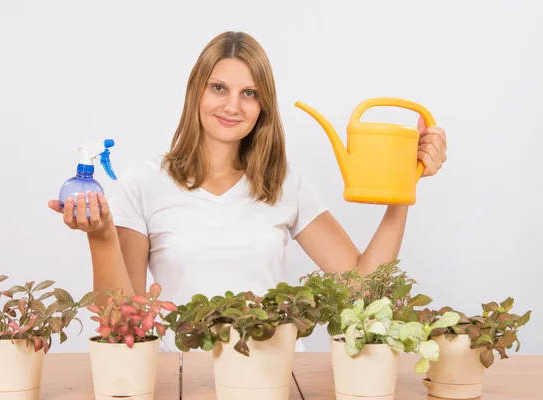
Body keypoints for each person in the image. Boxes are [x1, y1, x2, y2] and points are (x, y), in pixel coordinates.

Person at [48, 31, 447, 351]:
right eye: (218, 88)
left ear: (262, 107)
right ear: (196, 93)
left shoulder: (283, 182)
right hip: (183, 382)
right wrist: (101, 236)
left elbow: (361, 285)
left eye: (249, 93)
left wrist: (402, 189)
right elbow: (122, 324)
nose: (232, 106)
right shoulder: (144, 184)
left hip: (272, 379)